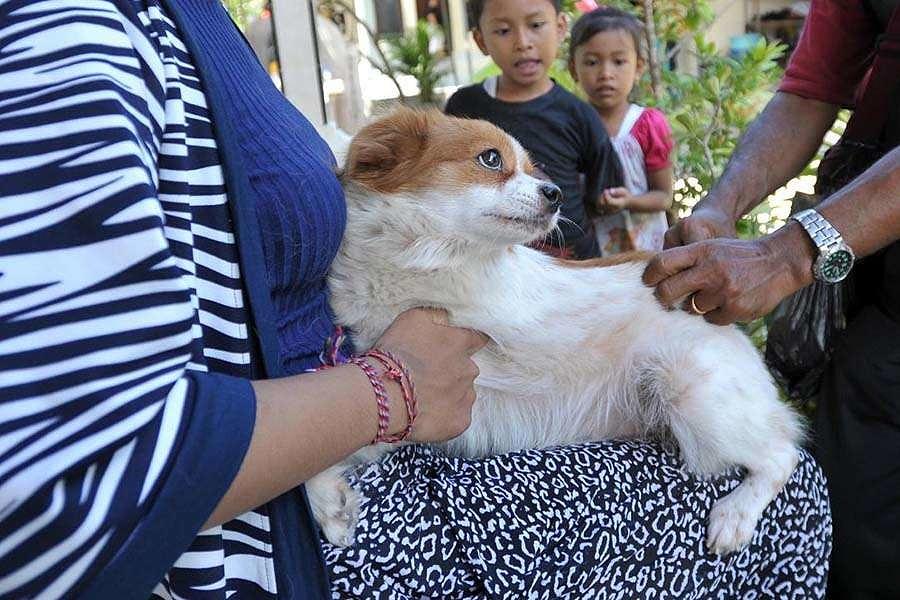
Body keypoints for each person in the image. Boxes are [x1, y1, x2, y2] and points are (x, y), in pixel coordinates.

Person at [0, 1, 830, 598]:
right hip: (257, 533)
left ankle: (767, 475)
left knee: (768, 479)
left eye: (527, 171)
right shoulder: (73, 33)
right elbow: (71, 475)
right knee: (802, 518)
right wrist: (381, 393)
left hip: (552, 390)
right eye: (494, 165)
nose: (535, 190)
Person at [643, 1, 900, 597]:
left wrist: (785, 255)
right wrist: (719, 207)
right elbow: (809, 91)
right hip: (878, 290)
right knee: (855, 510)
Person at [444, 0, 622, 258]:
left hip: (571, 263)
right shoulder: (464, 106)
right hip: (487, 259)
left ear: (561, 27)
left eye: (536, 25)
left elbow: (604, 195)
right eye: (504, 31)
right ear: (481, 40)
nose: (522, 42)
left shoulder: (579, 114)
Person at [569, 7, 674, 255]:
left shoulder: (649, 125)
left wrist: (629, 202)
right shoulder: (571, 127)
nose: (606, 74)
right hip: (591, 258)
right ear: (574, 68)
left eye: (618, 61)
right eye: (592, 62)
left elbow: (663, 196)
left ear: (638, 67)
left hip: (646, 254)